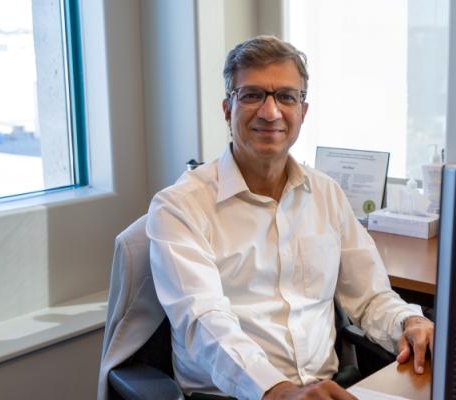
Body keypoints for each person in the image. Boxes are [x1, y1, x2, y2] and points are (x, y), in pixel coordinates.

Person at [146, 35, 434, 400]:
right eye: (252, 95)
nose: (271, 112)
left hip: (329, 390)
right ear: (226, 108)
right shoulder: (179, 207)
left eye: (286, 97)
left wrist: (408, 322)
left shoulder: (326, 194)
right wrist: (277, 391)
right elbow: (204, 322)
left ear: (303, 111)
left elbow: (371, 296)